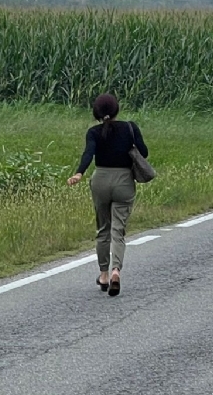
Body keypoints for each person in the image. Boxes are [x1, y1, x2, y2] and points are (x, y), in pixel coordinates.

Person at [67, 93, 148, 296]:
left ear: (96, 112)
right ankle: (115, 271)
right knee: (118, 230)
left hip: (101, 179)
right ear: (116, 110)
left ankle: (103, 274)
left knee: (103, 228)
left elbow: (89, 153)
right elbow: (144, 153)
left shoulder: (93, 132)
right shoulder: (130, 127)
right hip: (124, 181)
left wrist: (79, 173)